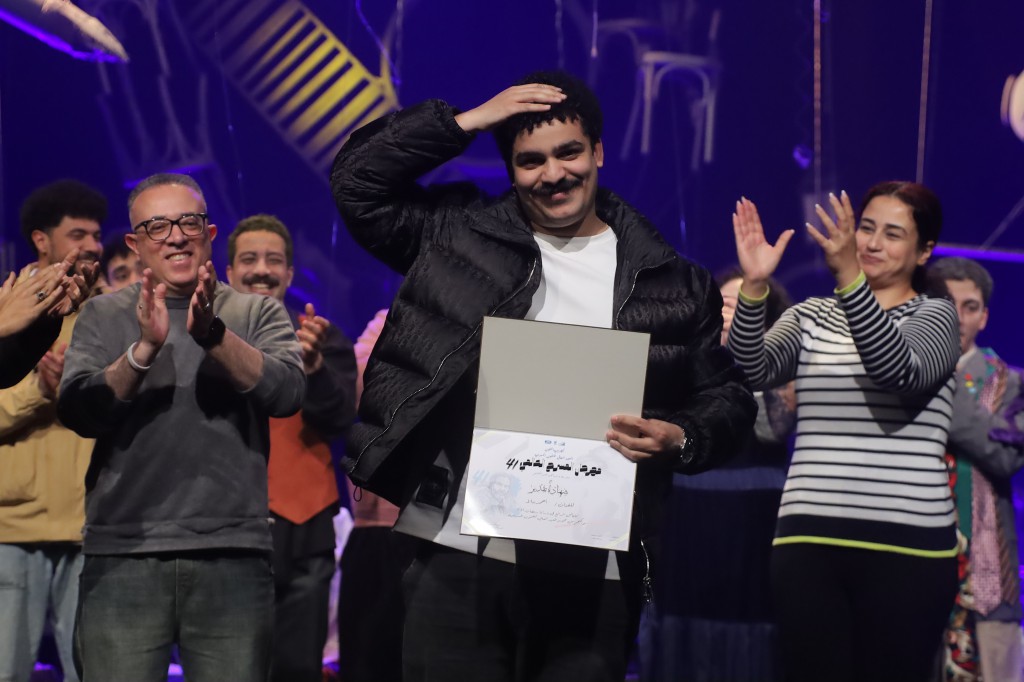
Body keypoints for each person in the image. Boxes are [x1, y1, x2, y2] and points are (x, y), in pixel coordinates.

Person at [330, 70, 755, 682]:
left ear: (598, 151)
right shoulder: (459, 237)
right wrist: (466, 121)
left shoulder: (670, 280)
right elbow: (357, 183)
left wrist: (680, 437)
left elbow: (726, 396)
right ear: (510, 169)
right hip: (458, 548)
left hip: (593, 564)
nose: (553, 174)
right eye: (530, 160)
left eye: (569, 153)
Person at [58, 173, 305, 681]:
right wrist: (143, 350)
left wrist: (214, 335)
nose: (176, 237)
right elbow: (81, 413)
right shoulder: (103, 315)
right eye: (157, 226)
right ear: (135, 244)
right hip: (123, 552)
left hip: (233, 554)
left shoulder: (256, 312)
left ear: (209, 233)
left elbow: (287, 394)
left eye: (188, 222)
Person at [727, 183, 961, 682]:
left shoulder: (936, 315)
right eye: (866, 228)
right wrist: (754, 287)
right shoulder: (812, 314)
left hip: (908, 546)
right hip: (809, 537)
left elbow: (899, 372)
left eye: (892, 234)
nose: (872, 243)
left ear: (923, 251)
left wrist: (851, 280)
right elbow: (752, 370)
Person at [640, 267, 795, 682]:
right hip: (688, 502)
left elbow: (771, 426)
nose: (730, 313)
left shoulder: (783, 364)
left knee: (747, 611)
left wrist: (743, 349)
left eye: (744, 307)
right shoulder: (685, 356)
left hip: (755, 509)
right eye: (725, 304)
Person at [225, 213, 357, 682]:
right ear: (229, 271)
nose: (262, 270)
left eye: (274, 260)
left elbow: (341, 420)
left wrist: (314, 368)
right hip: (227, 526)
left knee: (298, 669)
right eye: (249, 259)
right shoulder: (203, 339)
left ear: (290, 273)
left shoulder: (321, 338)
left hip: (306, 529)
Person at [0, 179, 107, 682]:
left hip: (90, 526)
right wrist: (39, 390)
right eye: (77, 234)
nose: (92, 245)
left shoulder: (111, 311)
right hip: (13, 526)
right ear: (41, 240)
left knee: (92, 672)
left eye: (96, 235)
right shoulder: (8, 309)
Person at [929, 257, 1024, 682]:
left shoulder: (1012, 384)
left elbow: (1005, 457)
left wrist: (939, 380)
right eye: (946, 305)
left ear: (984, 317)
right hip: (908, 565)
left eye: (969, 307)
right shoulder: (898, 374)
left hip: (986, 577)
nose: (958, 318)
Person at [336, 307, 415, 682]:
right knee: (366, 663)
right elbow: (361, 390)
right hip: (377, 528)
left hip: (441, 530)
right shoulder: (392, 315)